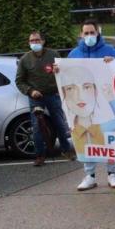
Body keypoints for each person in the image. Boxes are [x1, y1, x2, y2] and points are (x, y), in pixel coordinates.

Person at [65, 20, 115, 190]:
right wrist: (58, 71)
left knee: (108, 138)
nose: (89, 36)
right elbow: (66, 75)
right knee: (85, 139)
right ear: (81, 35)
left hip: (103, 101)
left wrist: (114, 63)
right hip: (83, 105)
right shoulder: (73, 54)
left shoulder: (110, 51)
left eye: (92, 32)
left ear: (98, 33)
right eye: (86, 33)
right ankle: (89, 175)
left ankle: (112, 173)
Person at [16, 31, 75, 166]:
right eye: (32, 41)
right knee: (37, 127)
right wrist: (31, 91)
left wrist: (59, 70)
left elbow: (63, 72)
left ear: (43, 41)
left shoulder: (53, 54)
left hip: (53, 95)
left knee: (59, 123)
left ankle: (66, 150)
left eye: (37, 40)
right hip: (36, 97)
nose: (35, 43)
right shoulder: (25, 59)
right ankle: (40, 155)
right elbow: (19, 81)